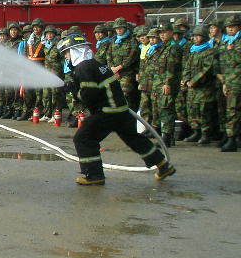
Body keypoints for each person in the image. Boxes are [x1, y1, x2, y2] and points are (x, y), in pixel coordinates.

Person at [58, 32, 175, 186]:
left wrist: (74, 91)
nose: (66, 57)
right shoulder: (95, 64)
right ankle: (163, 165)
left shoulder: (83, 68)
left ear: (74, 51)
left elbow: (89, 96)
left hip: (107, 112)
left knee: (83, 138)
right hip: (121, 110)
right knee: (133, 138)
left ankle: (94, 175)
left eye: (67, 53)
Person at [180, 25, 219, 145]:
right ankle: (196, 131)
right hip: (192, 88)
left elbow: (207, 69)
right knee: (192, 110)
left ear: (204, 37)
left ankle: (205, 134)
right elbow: (187, 67)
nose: (195, 38)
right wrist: (185, 79)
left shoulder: (209, 51)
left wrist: (194, 81)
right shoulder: (193, 50)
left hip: (204, 88)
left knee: (204, 111)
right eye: (194, 36)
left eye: (198, 36)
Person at [148, 22, 182, 146]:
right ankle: (169, 137)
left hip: (167, 83)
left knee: (166, 109)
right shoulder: (161, 47)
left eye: (164, 32)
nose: (162, 35)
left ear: (171, 32)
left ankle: (166, 139)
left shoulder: (173, 48)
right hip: (159, 83)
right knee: (160, 109)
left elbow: (172, 67)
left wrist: (168, 83)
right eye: (160, 33)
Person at [107, 17, 141, 111]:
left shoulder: (132, 40)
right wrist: (112, 68)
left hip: (127, 73)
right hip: (115, 73)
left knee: (125, 94)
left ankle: (129, 113)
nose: (118, 30)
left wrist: (120, 67)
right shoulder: (113, 40)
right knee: (114, 95)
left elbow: (132, 56)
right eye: (116, 28)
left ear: (125, 28)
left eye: (120, 28)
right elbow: (108, 55)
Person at [220, 15, 241, 152]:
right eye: (228, 27)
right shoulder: (227, 41)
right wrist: (224, 82)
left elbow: (237, 59)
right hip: (231, 81)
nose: (230, 29)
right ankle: (232, 138)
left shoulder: (235, 43)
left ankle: (233, 139)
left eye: (232, 26)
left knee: (233, 111)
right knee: (232, 111)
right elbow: (223, 63)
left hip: (237, 81)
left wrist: (230, 50)